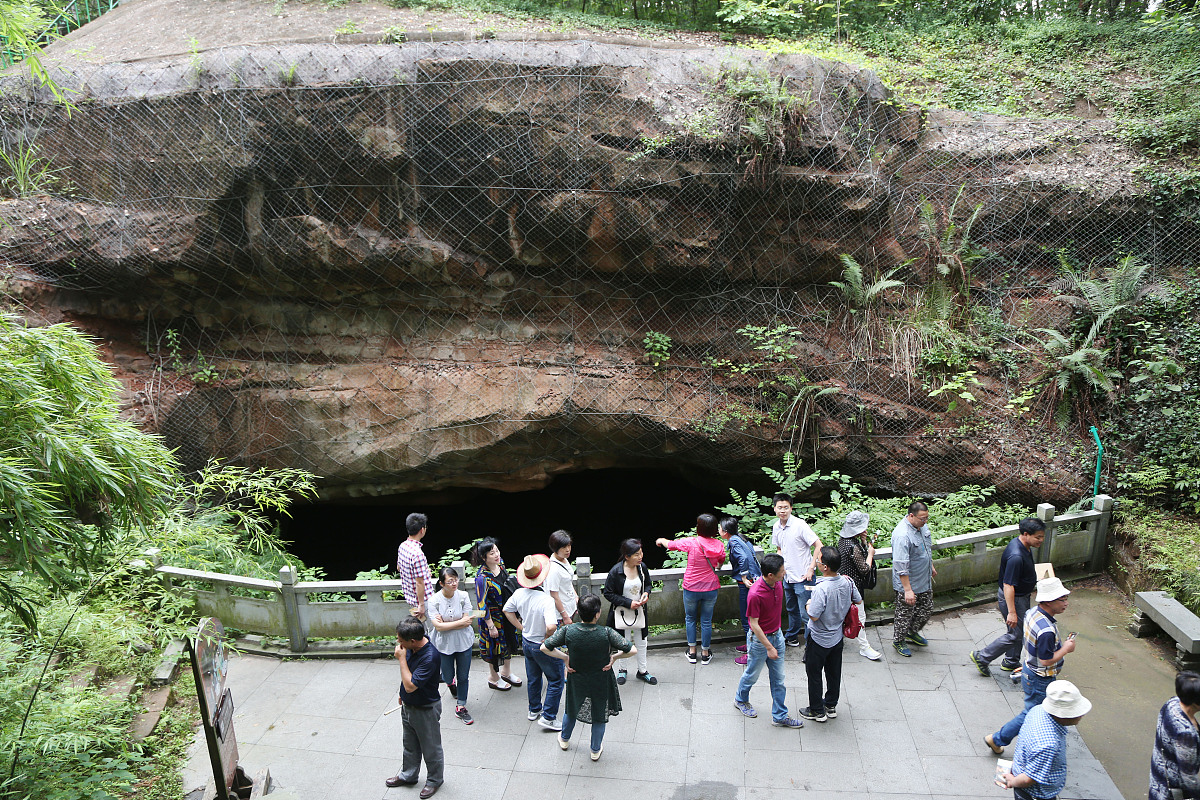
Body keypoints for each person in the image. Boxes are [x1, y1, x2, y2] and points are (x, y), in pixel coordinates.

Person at [986, 576, 1076, 755]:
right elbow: (1046, 660)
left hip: (1030, 669)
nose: (1066, 603)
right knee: (1031, 713)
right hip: (1040, 677)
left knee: (1038, 711)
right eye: (1062, 599)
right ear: (1049, 602)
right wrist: (1066, 648)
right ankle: (997, 739)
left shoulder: (1032, 612)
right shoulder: (1047, 631)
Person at [541, 593, 637, 762]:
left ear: (578, 612)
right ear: (597, 614)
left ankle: (564, 739)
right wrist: (614, 657)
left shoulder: (568, 630)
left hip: (576, 678)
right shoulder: (606, 633)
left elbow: (544, 647)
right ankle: (594, 749)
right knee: (599, 713)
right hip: (600, 679)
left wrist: (565, 658)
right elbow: (632, 650)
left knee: (571, 708)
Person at [733, 553, 804, 729]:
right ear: (770, 575)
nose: (784, 573)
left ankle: (780, 715)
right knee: (752, 674)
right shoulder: (755, 594)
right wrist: (769, 647)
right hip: (759, 641)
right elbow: (754, 625)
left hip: (777, 635)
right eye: (781, 571)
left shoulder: (778, 584)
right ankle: (740, 699)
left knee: (779, 679)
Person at [971, 517, 1046, 677]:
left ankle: (1011, 661)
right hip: (1013, 599)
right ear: (1026, 534)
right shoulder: (1016, 556)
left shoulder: (1024, 545)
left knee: (1019, 631)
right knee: (1015, 634)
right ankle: (982, 657)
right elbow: (1008, 586)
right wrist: (1012, 612)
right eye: (1038, 537)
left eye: (1042, 536)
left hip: (1021, 596)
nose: (1041, 540)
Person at [999, 680, 1092, 800]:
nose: (1082, 715)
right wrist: (1013, 782)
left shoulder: (1038, 710)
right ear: (1062, 715)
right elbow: (1028, 779)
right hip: (1035, 793)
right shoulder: (1048, 745)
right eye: (1077, 712)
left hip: (1023, 768)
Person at [800, 545, 861, 722]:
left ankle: (817, 710)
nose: (816, 562)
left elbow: (814, 615)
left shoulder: (822, 588)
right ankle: (831, 705)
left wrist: (808, 604)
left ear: (825, 566)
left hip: (819, 638)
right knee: (834, 672)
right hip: (837, 636)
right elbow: (857, 599)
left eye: (818, 560)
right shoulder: (847, 581)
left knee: (814, 673)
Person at [503, 554, 564, 731]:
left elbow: (507, 610)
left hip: (527, 641)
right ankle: (549, 717)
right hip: (542, 644)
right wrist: (547, 638)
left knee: (533, 677)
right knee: (556, 679)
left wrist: (520, 627)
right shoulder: (545, 600)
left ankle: (534, 709)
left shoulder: (519, 593)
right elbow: (552, 626)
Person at [385, 616, 444, 798]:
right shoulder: (411, 646)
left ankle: (434, 780)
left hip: (425, 707)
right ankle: (408, 775)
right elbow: (408, 679)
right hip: (409, 704)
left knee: (430, 746)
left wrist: (401, 659)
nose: (398, 643)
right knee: (409, 743)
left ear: (412, 641)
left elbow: (412, 684)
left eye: (401, 640)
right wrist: (402, 694)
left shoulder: (430, 656)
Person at [657, 514, 727, 665]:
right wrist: (718, 567)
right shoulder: (719, 545)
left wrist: (661, 540)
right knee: (707, 621)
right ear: (715, 529)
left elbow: (671, 545)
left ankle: (692, 652)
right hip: (710, 587)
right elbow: (721, 561)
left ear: (698, 528)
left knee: (690, 619)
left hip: (692, 587)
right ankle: (706, 653)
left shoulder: (691, 542)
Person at [602, 538, 658, 686]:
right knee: (623, 641)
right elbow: (608, 593)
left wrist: (646, 594)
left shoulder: (642, 567)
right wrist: (628, 602)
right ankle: (622, 669)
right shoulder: (616, 571)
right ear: (627, 556)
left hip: (639, 611)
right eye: (636, 555)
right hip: (622, 612)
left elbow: (648, 585)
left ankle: (642, 670)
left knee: (642, 641)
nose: (640, 557)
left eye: (641, 553)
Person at [769, 493, 821, 648]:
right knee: (791, 609)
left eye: (786, 507)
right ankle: (792, 636)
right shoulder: (776, 527)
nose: (783, 511)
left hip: (804, 576)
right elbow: (779, 548)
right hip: (787, 577)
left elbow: (818, 545)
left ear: (791, 508)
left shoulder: (800, 525)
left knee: (807, 613)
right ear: (774, 509)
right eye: (780, 508)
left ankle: (812, 644)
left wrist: (811, 568)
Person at [470, 537, 522, 691]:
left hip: (506, 613)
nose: (496, 555)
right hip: (492, 618)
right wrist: (490, 626)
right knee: (494, 648)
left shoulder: (501, 564)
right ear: (483, 557)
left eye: (497, 551)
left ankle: (506, 672)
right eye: (492, 553)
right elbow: (481, 605)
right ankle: (493, 678)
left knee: (508, 642)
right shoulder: (482, 578)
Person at [428, 566, 476, 725]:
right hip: (443, 644)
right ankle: (450, 683)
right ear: (441, 583)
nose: (454, 583)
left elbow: (467, 622)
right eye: (450, 581)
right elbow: (438, 627)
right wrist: (460, 622)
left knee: (463, 676)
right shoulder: (434, 600)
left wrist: (448, 623)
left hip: (463, 641)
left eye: (455, 580)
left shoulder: (463, 596)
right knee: (447, 674)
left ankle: (461, 705)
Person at [835, 510, 882, 661]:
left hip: (842, 584)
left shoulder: (843, 540)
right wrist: (870, 554)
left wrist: (863, 540)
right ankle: (864, 647)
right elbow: (864, 569)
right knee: (859, 616)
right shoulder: (853, 546)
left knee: (841, 615)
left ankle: (836, 641)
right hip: (853, 587)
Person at [891, 500, 936, 657]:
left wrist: (930, 566)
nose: (925, 521)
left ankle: (912, 632)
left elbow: (926, 549)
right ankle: (899, 640)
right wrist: (907, 590)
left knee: (926, 608)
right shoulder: (902, 535)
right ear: (911, 515)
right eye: (922, 518)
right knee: (904, 613)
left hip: (923, 579)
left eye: (926, 518)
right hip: (908, 584)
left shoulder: (921, 526)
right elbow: (901, 565)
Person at [1149, 670, 1200, 800]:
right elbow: (1189, 778)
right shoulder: (1186, 734)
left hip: (1158, 774)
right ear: (1195, 702)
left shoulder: (1172, 703)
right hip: (1172, 791)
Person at [722, 516, 761, 666]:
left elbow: (743, 558)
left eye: (720, 528)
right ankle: (749, 643)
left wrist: (744, 577)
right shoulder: (741, 538)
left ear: (725, 532)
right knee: (750, 615)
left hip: (748, 583)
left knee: (748, 617)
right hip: (756, 578)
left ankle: (751, 652)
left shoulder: (733, 541)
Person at [397, 512, 434, 630]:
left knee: (419, 632)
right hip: (423, 601)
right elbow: (419, 582)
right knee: (431, 632)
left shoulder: (403, 546)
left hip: (410, 599)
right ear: (422, 530)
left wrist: (424, 572)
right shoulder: (418, 554)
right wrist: (422, 604)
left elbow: (399, 567)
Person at [544, 529, 578, 628]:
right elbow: (554, 595)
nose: (568, 549)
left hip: (568, 605)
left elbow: (568, 582)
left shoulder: (564, 559)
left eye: (569, 545)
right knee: (562, 640)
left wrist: (575, 597)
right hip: (560, 614)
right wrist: (565, 616)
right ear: (555, 548)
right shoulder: (553, 570)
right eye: (564, 547)